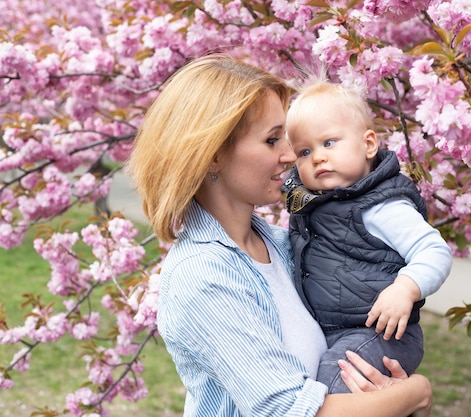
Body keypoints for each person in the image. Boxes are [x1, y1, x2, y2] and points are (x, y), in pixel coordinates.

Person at [126, 54, 433, 417]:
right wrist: (416, 392)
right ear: (212, 156)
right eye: (273, 140)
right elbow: (288, 411)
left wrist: (386, 398)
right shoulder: (204, 276)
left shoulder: (287, 246)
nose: (290, 155)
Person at [282, 79, 453, 394]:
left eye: (329, 142)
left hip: (379, 332)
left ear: (369, 145)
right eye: (304, 151)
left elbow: (433, 250)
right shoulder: (311, 208)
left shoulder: (381, 206)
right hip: (333, 332)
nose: (317, 157)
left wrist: (405, 289)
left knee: (335, 384)